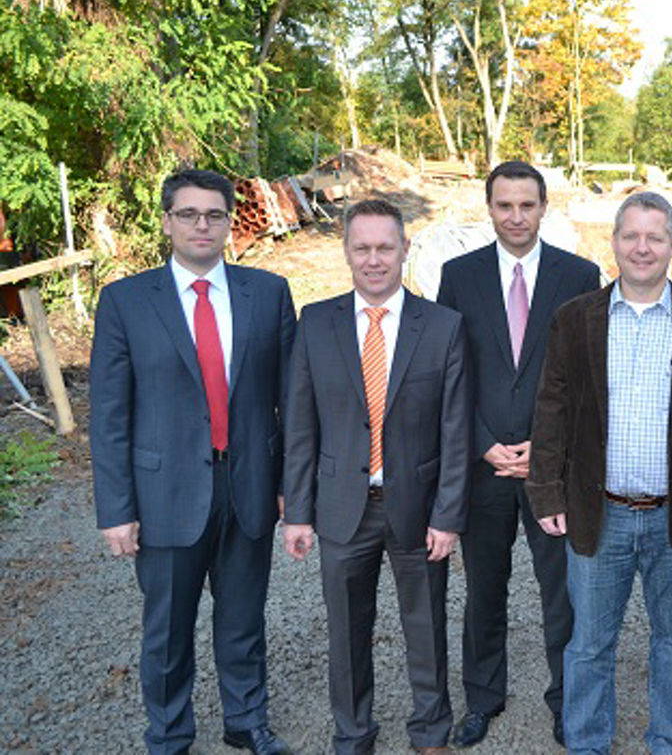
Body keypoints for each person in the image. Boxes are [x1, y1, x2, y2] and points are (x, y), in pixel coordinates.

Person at [90, 169, 296, 755]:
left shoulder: (268, 293)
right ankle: (170, 733)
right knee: (168, 631)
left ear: (231, 223)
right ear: (166, 221)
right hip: (165, 497)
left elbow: (292, 402)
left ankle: (246, 721)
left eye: (214, 215)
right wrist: (116, 510)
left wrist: (288, 486)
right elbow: (109, 416)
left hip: (248, 485)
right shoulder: (125, 302)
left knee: (243, 622)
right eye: (189, 214)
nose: (202, 225)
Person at [526, 191, 672, 754]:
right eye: (631, 236)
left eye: (654, 237)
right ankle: (587, 743)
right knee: (588, 643)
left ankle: (666, 741)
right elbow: (552, 408)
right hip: (599, 510)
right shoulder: (576, 318)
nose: (642, 248)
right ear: (613, 242)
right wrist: (545, 492)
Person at [281, 198, 470, 755]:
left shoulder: (443, 326)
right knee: (345, 631)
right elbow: (299, 423)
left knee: (426, 626)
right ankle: (353, 731)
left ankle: (431, 730)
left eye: (385, 247)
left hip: (416, 505)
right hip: (342, 505)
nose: (373, 259)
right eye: (361, 247)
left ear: (405, 250)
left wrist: (449, 515)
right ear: (345, 251)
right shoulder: (316, 323)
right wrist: (298, 510)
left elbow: (455, 431)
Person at [437, 161, 600, 748]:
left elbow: (587, 374)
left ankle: (566, 700)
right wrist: (482, 444)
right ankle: (483, 699)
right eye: (504, 205)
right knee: (484, 590)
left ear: (543, 207)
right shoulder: (458, 276)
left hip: (551, 468)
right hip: (482, 467)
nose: (515, 216)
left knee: (563, 594)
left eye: (526, 205)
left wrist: (546, 447)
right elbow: (450, 370)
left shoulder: (579, 274)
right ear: (489, 208)